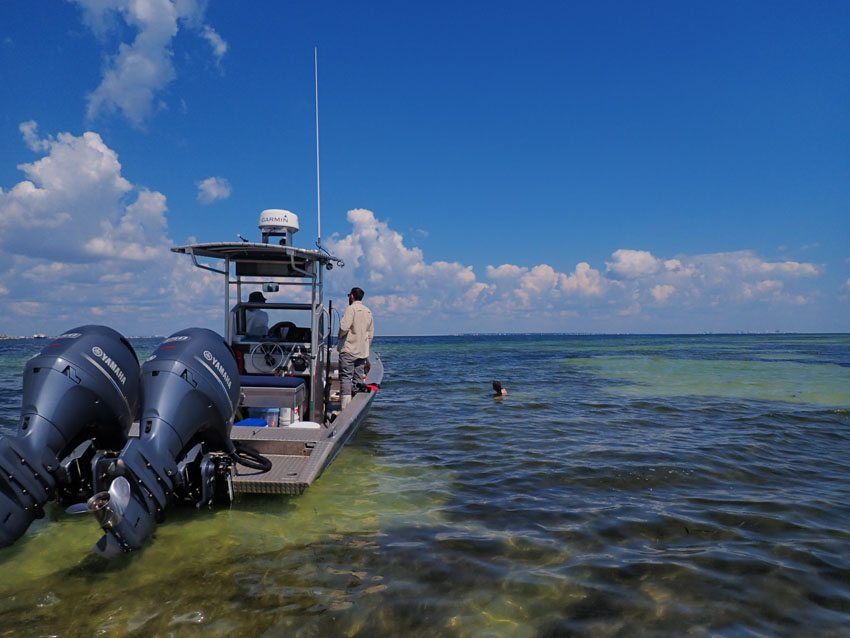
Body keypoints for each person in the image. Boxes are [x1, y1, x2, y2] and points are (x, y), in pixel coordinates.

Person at [338, 287, 374, 410]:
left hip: (349, 349)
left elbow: (344, 327)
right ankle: (357, 408)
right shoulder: (368, 311)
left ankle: (345, 408)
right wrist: (366, 347)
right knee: (359, 379)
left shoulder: (351, 309)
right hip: (362, 351)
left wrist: (339, 337)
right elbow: (370, 334)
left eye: (349, 295)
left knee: (346, 378)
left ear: (352, 296)